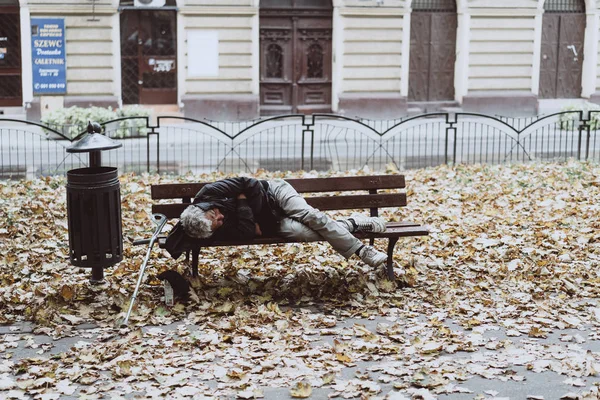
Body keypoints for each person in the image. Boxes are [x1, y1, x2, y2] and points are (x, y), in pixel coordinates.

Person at [162, 177, 390, 297]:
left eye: (215, 214)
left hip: (276, 193)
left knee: (309, 215)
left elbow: (249, 184)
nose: (221, 217)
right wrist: (242, 202)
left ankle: (362, 251)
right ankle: (351, 224)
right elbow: (247, 232)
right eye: (218, 222)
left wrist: (252, 214)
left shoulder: (209, 193)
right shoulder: (213, 228)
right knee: (301, 232)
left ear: (205, 208)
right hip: (273, 218)